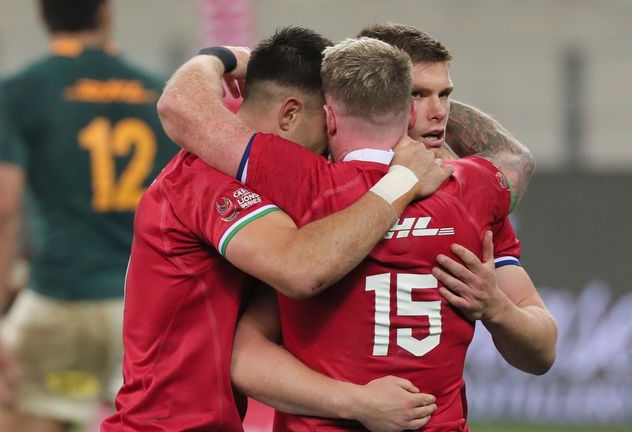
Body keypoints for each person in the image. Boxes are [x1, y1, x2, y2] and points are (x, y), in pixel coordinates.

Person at [156, 37, 557, 431]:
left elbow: (245, 359)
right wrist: (497, 307)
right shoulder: (477, 191)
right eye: (420, 94)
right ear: (403, 109)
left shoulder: (300, 185)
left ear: (330, 115)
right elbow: (513, 161)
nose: (437, 112)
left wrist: (222, 57)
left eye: (444, 96)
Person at [104, 27, 450, 432]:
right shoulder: (206, 179)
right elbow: (301, 268)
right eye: (329, 123)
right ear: (290, 114)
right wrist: (399, 184)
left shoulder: (252, 183)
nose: (333, 143)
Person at [0, 0, 179, 431]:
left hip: (59, 299)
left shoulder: (21, 91)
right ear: (106, 12)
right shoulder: (157, 91)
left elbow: (0, 209)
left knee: (20, 415)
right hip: (142, 309)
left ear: (43, 16)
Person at [357, 22, 535, 208]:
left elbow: (514, 163)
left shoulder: (455, 178)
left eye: (444, 94)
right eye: (416, 93)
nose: (440, 112)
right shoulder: (331, 175)